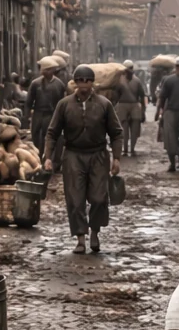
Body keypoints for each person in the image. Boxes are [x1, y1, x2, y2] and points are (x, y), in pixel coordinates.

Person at [43, 64, 122, 254]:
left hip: (98, 155)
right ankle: (80, 237)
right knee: (75, 199)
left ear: (92, 82)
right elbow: (52, 133)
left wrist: (117, 158)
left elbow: (116, 133)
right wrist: (48, 157)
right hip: (73, 155)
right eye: (80, 80)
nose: (83, 84)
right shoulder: (65, 105)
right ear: (75, 83)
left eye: (87, 80)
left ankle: (94, 232)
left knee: (98, 197)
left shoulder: (104, 104)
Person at [26, 57, 67, 156]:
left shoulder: (59, 84)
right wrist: (27, 116)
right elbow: (29, 101)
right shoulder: (35, 84)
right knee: (35, 135)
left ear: (52, 70)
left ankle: (50, 159)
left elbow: (62, 102)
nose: (44, 72)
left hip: (51, 114)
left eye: (47, 70)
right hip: (38, 113)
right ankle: (38, 157)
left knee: (49, 136)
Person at [115, 60, 147, 157]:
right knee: (124, 129)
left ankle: (131, 149)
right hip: (124, 105)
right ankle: (126, 149)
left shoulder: (136, 81)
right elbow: (115, 95)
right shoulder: (120, 81)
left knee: (134, 129)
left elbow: (142, 95)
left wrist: (143, 110)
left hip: (133, 106)